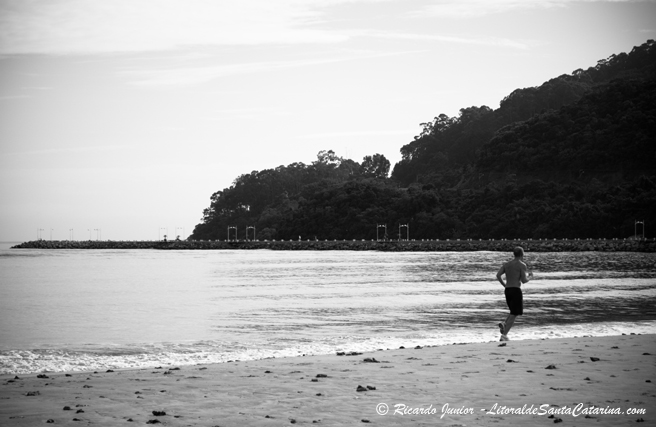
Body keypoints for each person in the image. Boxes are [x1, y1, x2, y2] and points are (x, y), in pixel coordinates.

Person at [496, 246, 533, 341]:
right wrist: (530, 277)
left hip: (507, 290)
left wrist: (505, 285)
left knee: (513, 312)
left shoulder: (506, 264)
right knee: (514, 313)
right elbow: (524, 280)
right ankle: (504, 336)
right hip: (516, 290)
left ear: (514, 254)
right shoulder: (522, 265)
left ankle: (504, 325)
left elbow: (498, 275)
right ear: (522, 254)